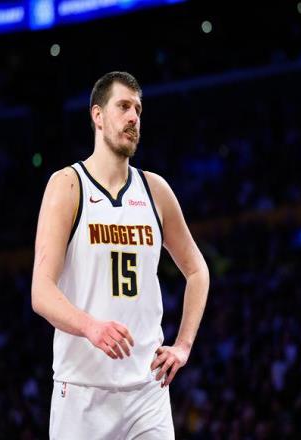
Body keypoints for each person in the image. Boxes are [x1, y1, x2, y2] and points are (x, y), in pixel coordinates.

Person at [31, 71, 210, 439]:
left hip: (147, 392)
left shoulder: (155, 190)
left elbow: (197, 270)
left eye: (138, 110)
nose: (133, 118)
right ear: (97, 115)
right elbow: (41, 292)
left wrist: (183, 345)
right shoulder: (68, 185)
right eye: (124, 107)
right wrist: (90, 326)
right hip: (82, 392)